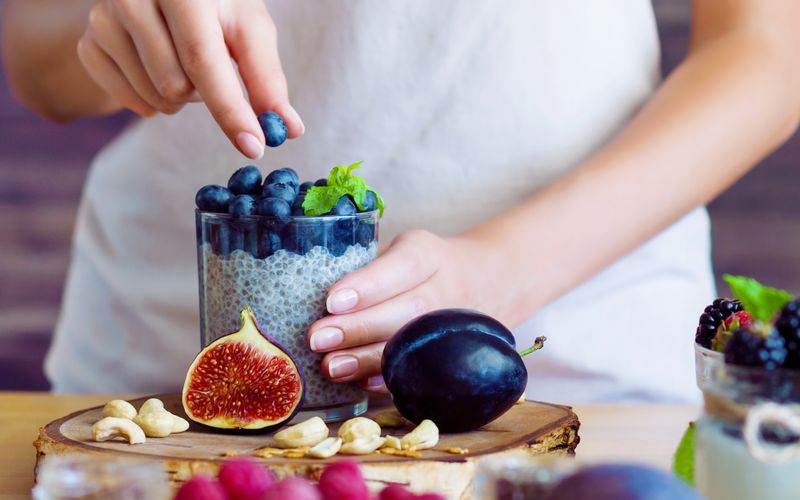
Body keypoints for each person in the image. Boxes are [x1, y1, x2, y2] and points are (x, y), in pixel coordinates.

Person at [4, 1, 800, 402]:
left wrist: (508, 269)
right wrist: (127, 25)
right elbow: (41, 60)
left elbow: (770, 50)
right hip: (167, 372)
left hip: (579, 365)